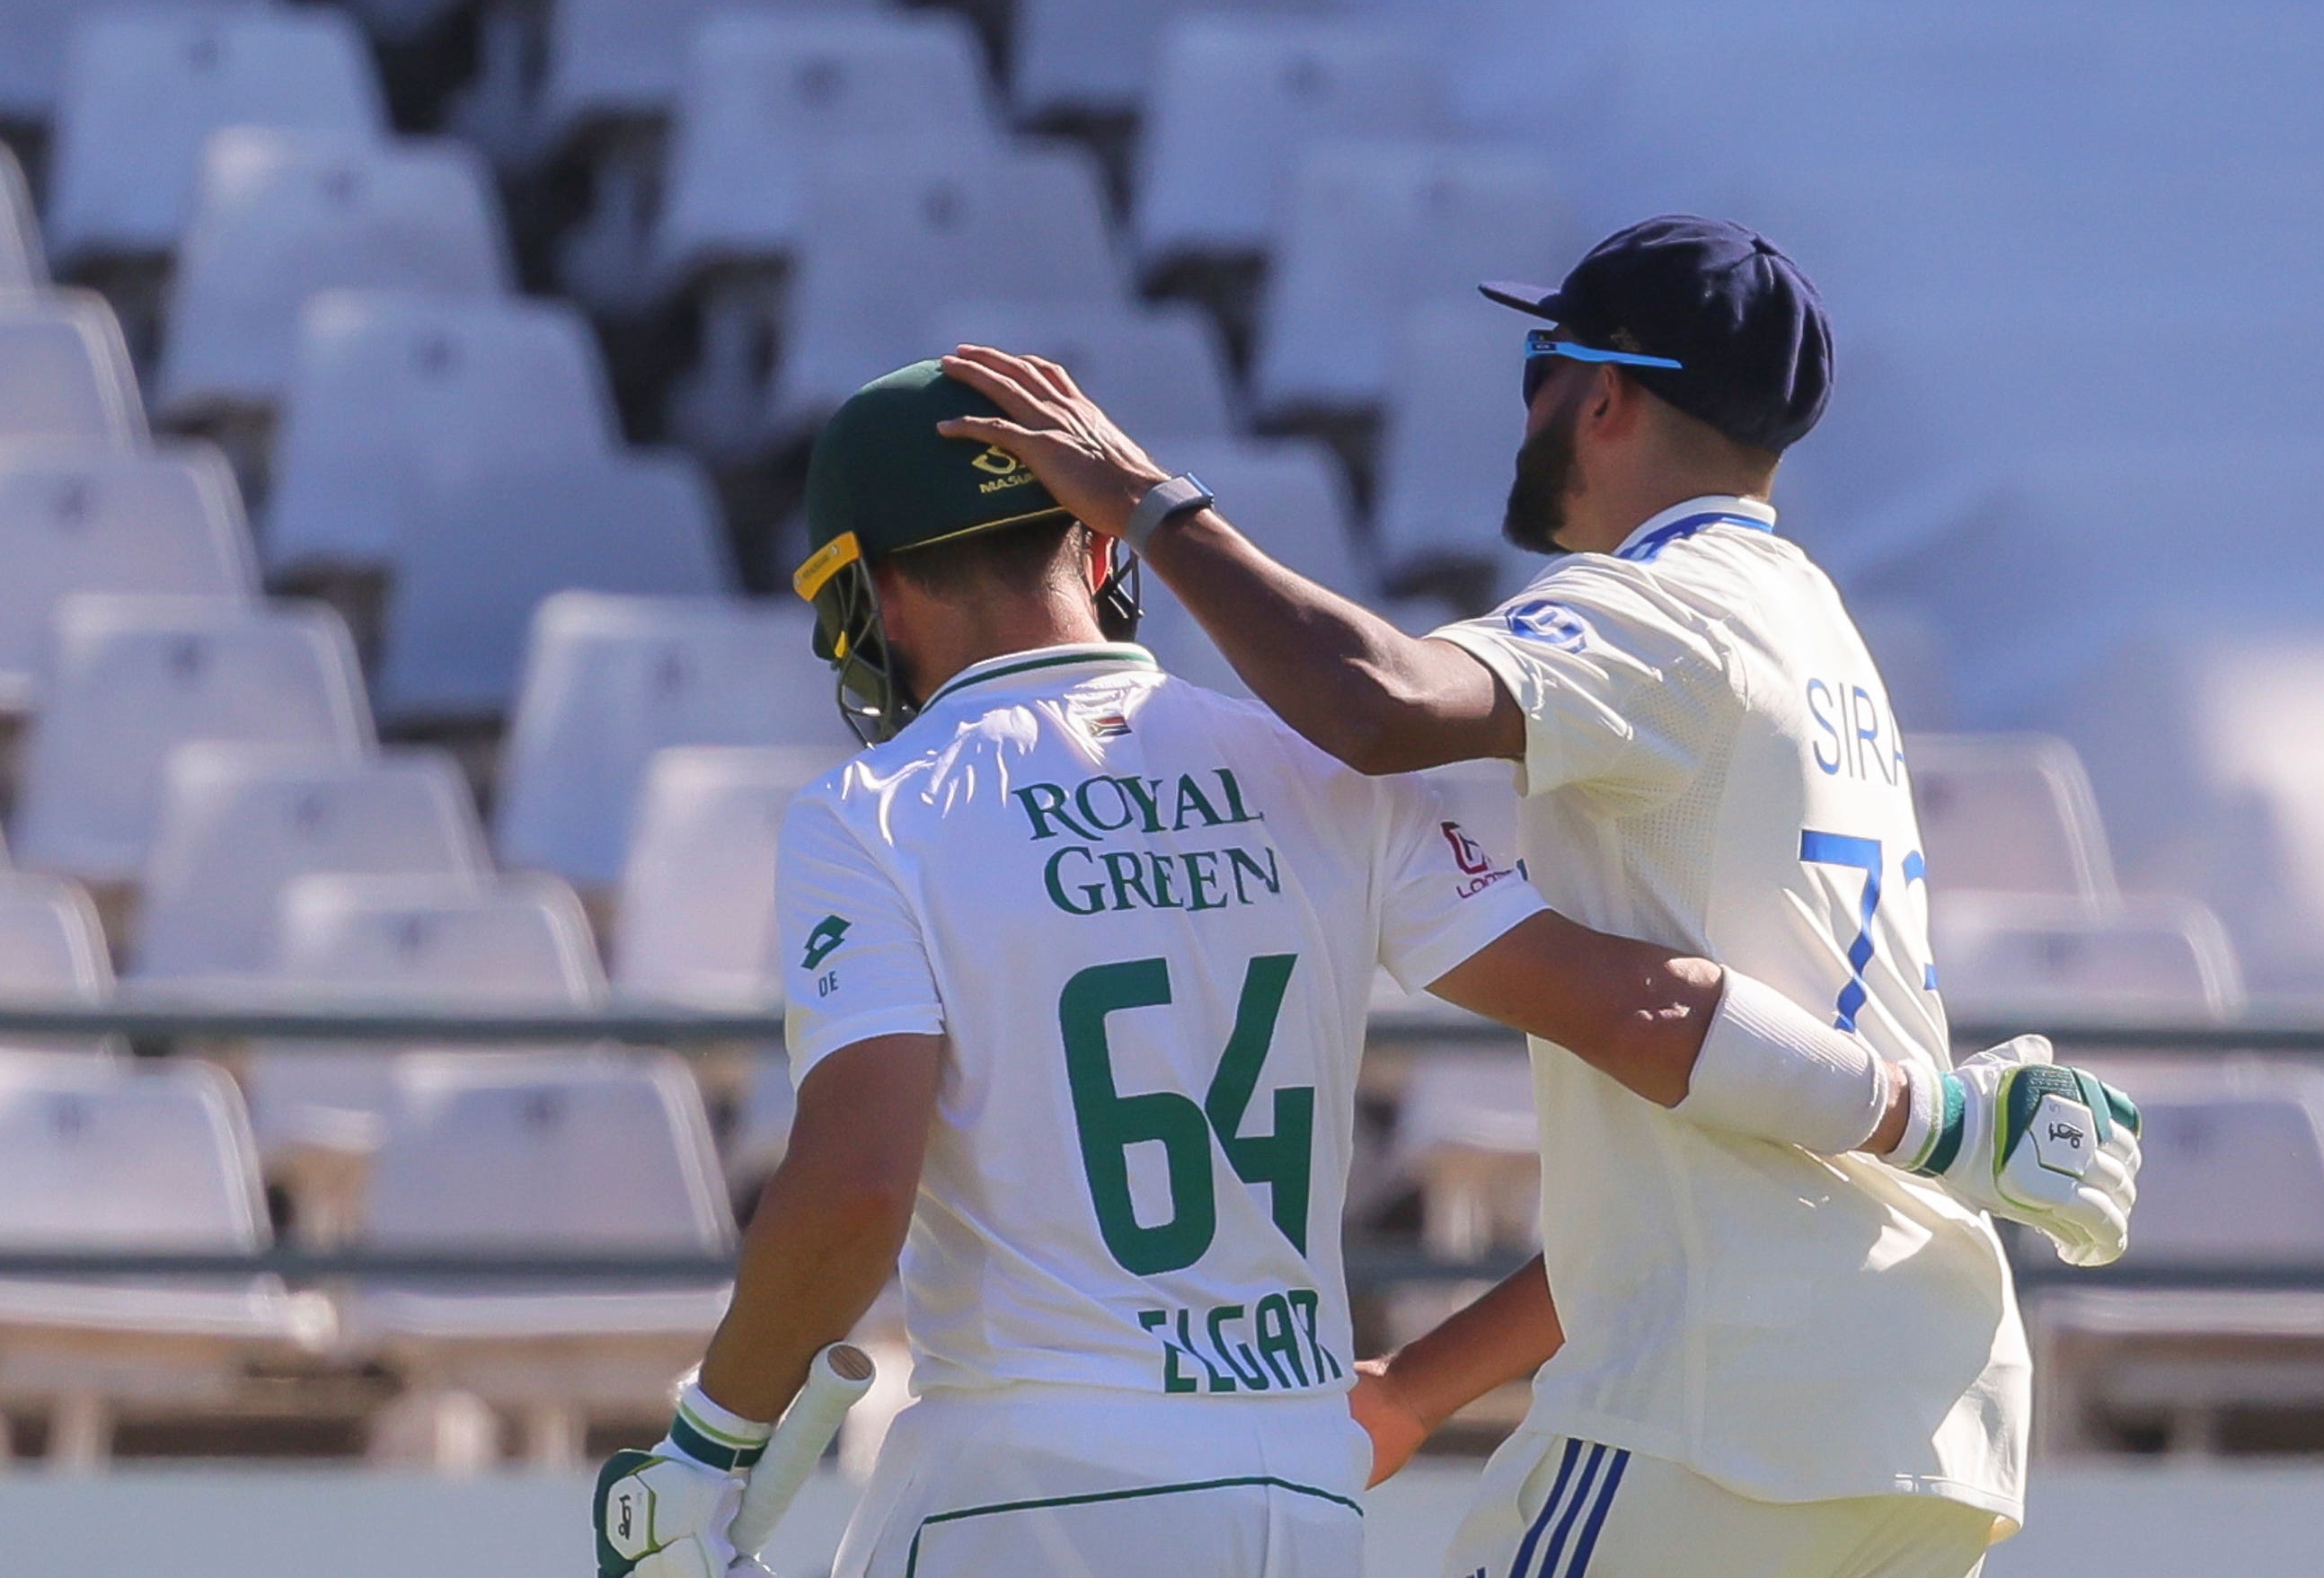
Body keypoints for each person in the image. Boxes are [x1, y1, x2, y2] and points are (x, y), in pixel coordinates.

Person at [590, 358, 2119, 1578]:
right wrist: (1940, 1123)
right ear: (1101, 547)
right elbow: (1647, 1011)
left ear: (872, 593)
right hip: (1289, 1492)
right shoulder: (1316, 771)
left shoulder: (877, 810)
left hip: (1022, 1483)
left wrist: (713, 1444)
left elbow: (855, 1189)